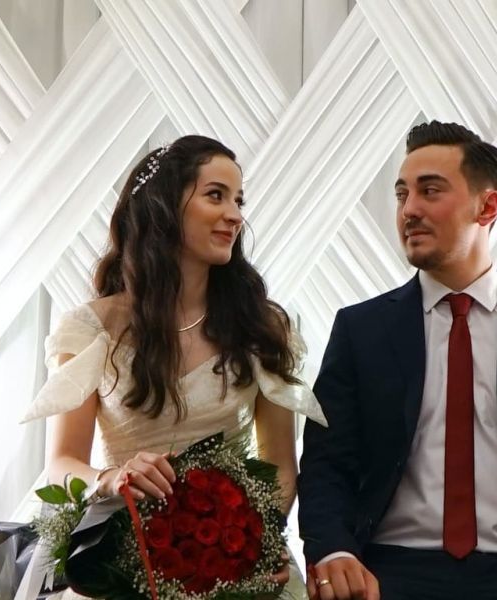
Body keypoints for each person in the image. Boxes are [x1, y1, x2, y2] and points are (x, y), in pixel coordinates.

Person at [298, 121, 497, 600]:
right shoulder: (360, 330)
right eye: (402, 194)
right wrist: (334, 551)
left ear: (487, 206)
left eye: (430, 190)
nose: (409, 209)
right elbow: (326, 464)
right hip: (389, 572)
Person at [21, 134, 327, 598]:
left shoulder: (263, 327)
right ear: (163, 207)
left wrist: (255, 543)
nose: (235, 215)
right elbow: (62, 464)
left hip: (235, 566)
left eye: (239, 200)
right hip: (124, 564)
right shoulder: (91, 329)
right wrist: (111, 479)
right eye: (215, 195)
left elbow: (280, 464)